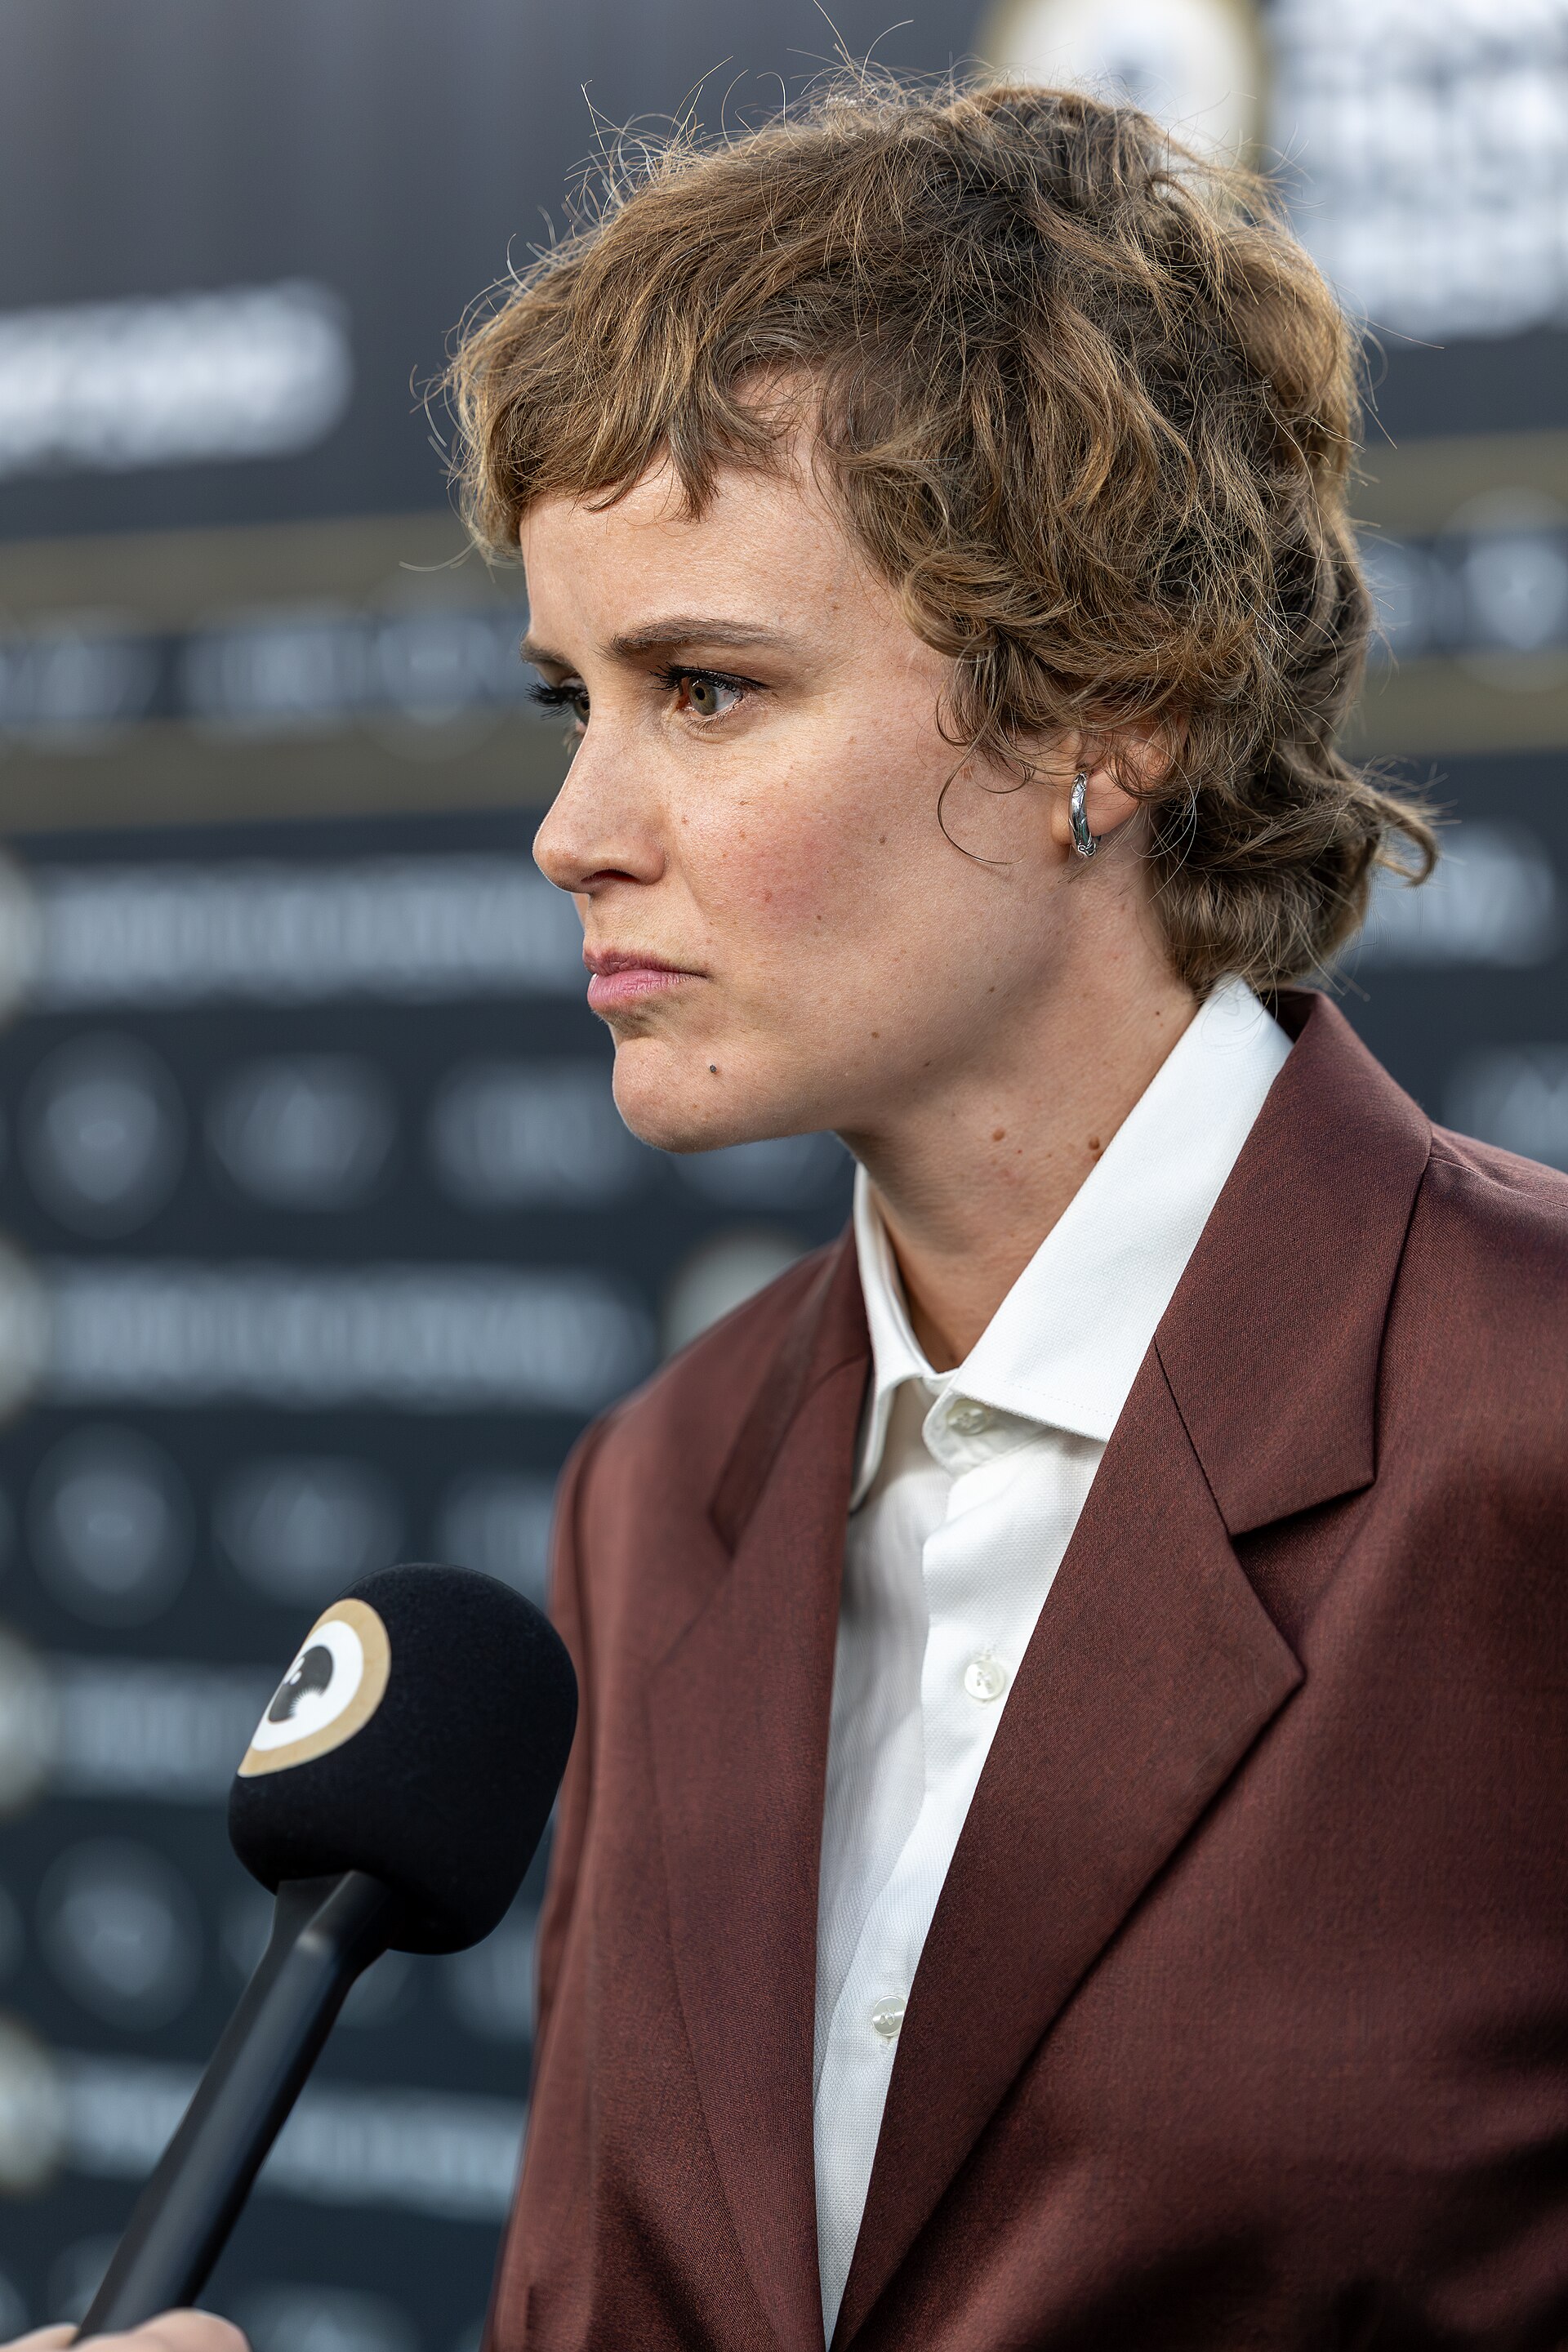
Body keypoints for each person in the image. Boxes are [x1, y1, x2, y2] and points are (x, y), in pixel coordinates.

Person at [33, 74, 1568, 2352]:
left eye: (707, 690)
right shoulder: (659, 1493)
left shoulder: (1528, 1422)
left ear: (1109, 712)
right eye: (570, 699)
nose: (574, 826)